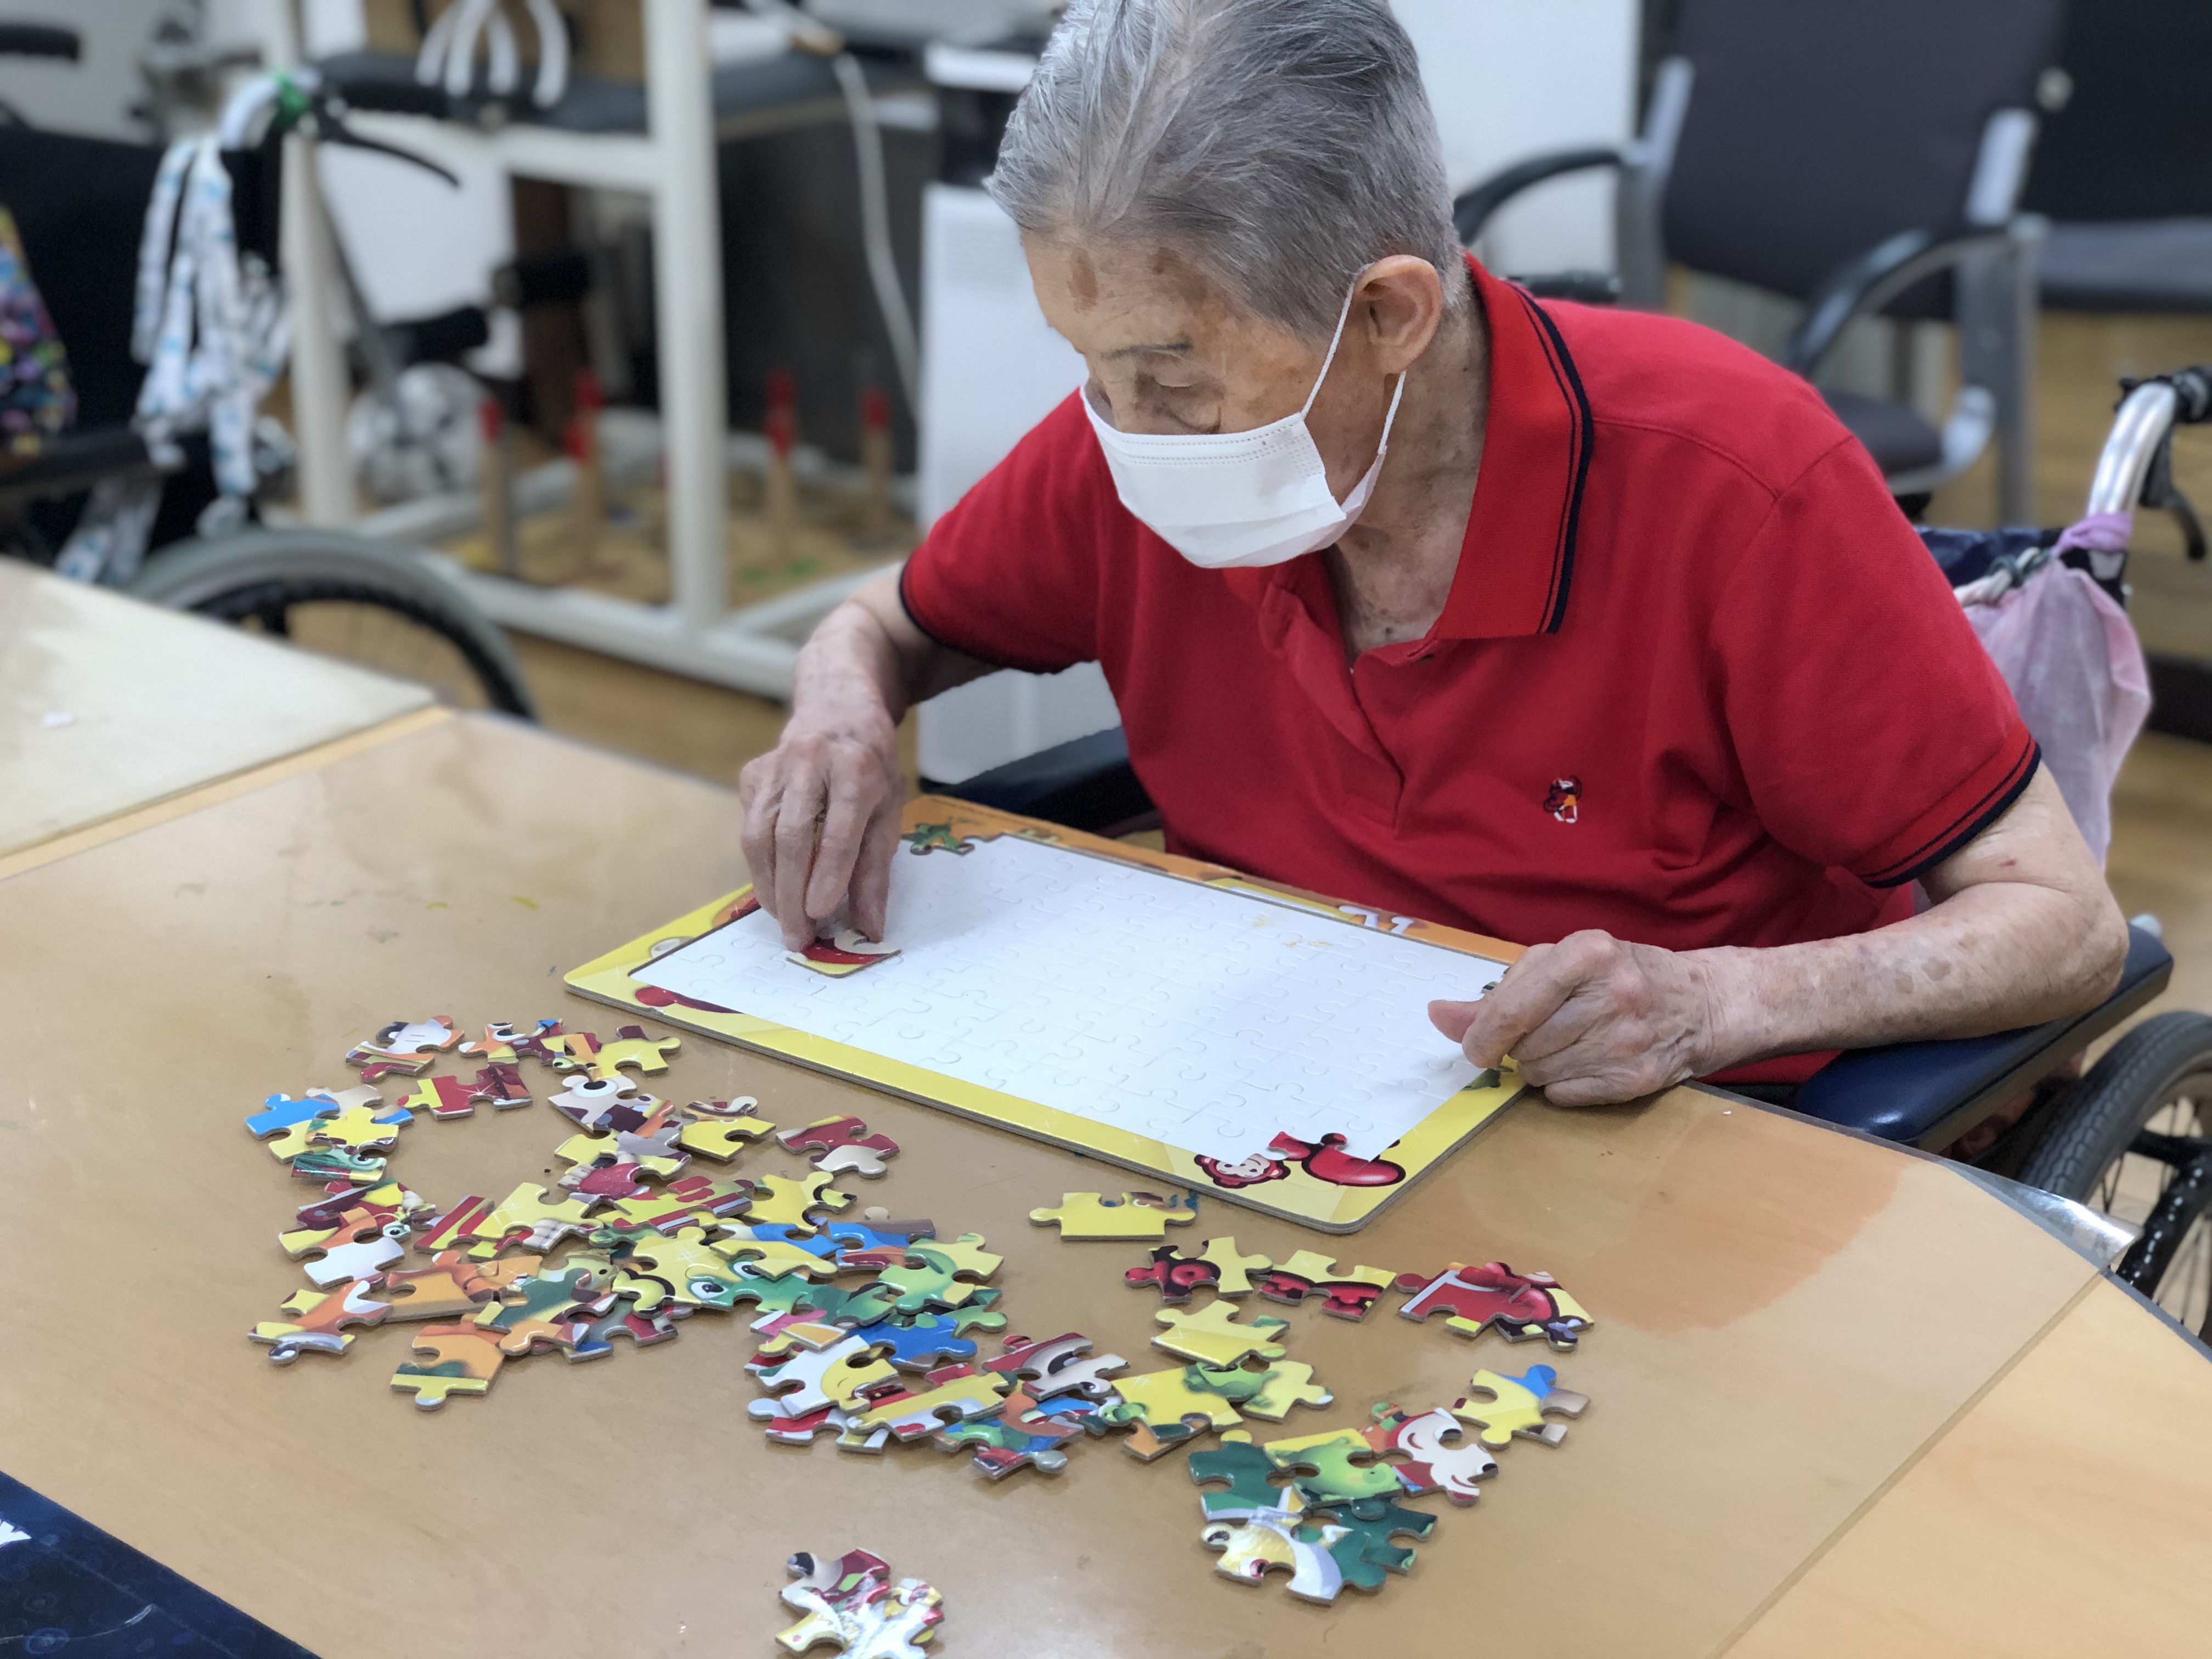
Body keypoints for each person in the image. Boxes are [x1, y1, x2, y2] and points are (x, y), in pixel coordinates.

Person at [740, 0, 2129, 1108]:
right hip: (1264, 1097)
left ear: (1393, 313)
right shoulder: (1128, 449)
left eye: (1175, 378)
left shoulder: (1739, 483)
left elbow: (2063, 921)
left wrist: (1716, 1001)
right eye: (1089, 367)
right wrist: (838, 716)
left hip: (1683, 1134)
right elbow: (884, 626)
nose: (1123, 426)